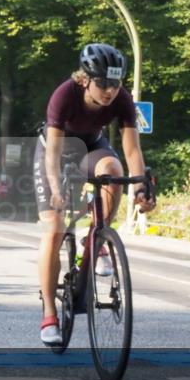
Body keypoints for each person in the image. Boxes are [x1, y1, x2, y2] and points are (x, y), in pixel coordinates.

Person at [33, 43, 156, 346]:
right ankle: (49, 313)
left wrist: (140, 187)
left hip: (91, 146)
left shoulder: (122, 99)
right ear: (84, 79)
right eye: (102, 84)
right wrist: (56, 188)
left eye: (115, 84)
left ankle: (96, 236)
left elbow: (131, 149)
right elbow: (54, 154)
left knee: (113, 169)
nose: (109, 91)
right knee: (54, 229)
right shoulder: (65, 95)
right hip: (55, 150)